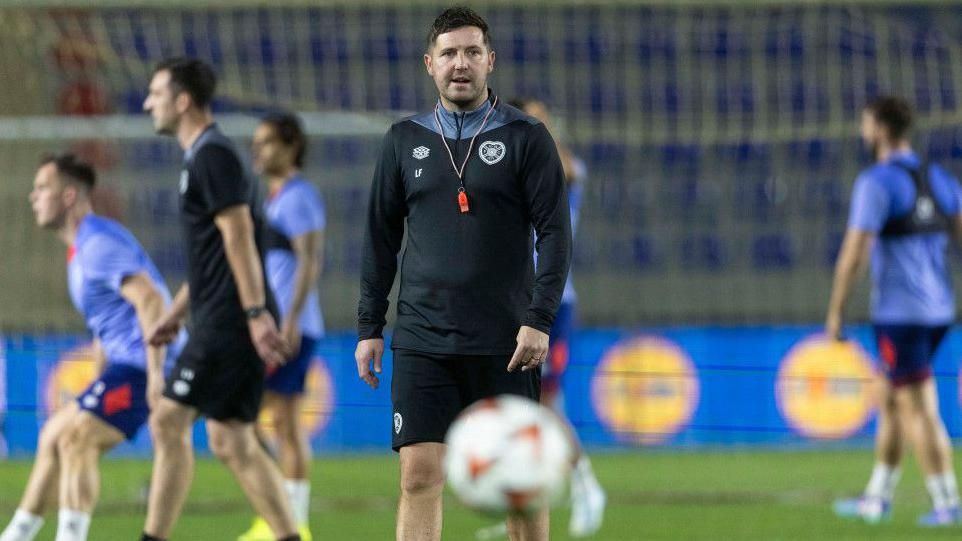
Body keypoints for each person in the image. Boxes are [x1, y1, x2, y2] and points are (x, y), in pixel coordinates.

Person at [355, 7, 571, 541]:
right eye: (449, 53)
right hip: (424, 338)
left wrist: (539, 320)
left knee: (522, 483)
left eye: (472, 52)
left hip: (506, 342)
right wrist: (368, 327)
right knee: (419, 474)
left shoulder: (527, 138)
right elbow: (381, 239)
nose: (461, 63)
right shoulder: (403, 140)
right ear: (430, 64)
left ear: (490, 61)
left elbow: (556, 236)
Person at [139, 57, 301, 541]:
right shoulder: (205, 156)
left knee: (169, 421)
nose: (149, 102)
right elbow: (216, 253)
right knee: (231, 439)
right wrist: (176, 311)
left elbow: (238, 236)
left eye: (156, 93)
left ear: (182, 100)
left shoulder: (212, 156)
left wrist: (254, 314)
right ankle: (293, 536)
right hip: (221, 314)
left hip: (229, 321)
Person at [0, 153, 184, 541]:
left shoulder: (98, 243)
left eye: (42, 188)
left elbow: (150, 301)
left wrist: (155, 374)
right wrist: (96, 385)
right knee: (54, 432)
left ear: (69, 196)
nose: (33, 197)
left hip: (148, 366)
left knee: (76, 437)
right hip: (127, 365)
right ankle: (16, 535)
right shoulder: (81, 249)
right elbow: (107, 326)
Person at [828, 96, 962, 526]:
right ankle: (877, 497)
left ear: (882, 129)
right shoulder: (940, 179)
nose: (862, 132)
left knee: (918, 408)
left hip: (900, 314)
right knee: (889, 398)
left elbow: (855, 252)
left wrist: (836, 311)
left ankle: (948, 503)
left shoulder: (876, 183)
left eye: (866, 124)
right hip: (939, 309)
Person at [498, 98, 605, 538]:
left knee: (544, 405)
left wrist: (537, 129)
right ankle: (521, 505)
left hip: (554, 305)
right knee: (518, 409)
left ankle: (585, 486)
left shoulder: (564, 166)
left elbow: (567, 171)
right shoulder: (513, 172)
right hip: (511, 304)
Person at [238, 113, 325, 541]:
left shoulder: (299, 196)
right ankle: (286, 521)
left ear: (291, 147)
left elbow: (310, 260)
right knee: (276, 422)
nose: (258, 149)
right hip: (281, 325)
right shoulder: (274, 199)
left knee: (249, 420)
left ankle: (286, 522)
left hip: (292, 327)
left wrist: (289, 321)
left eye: (267, 141)